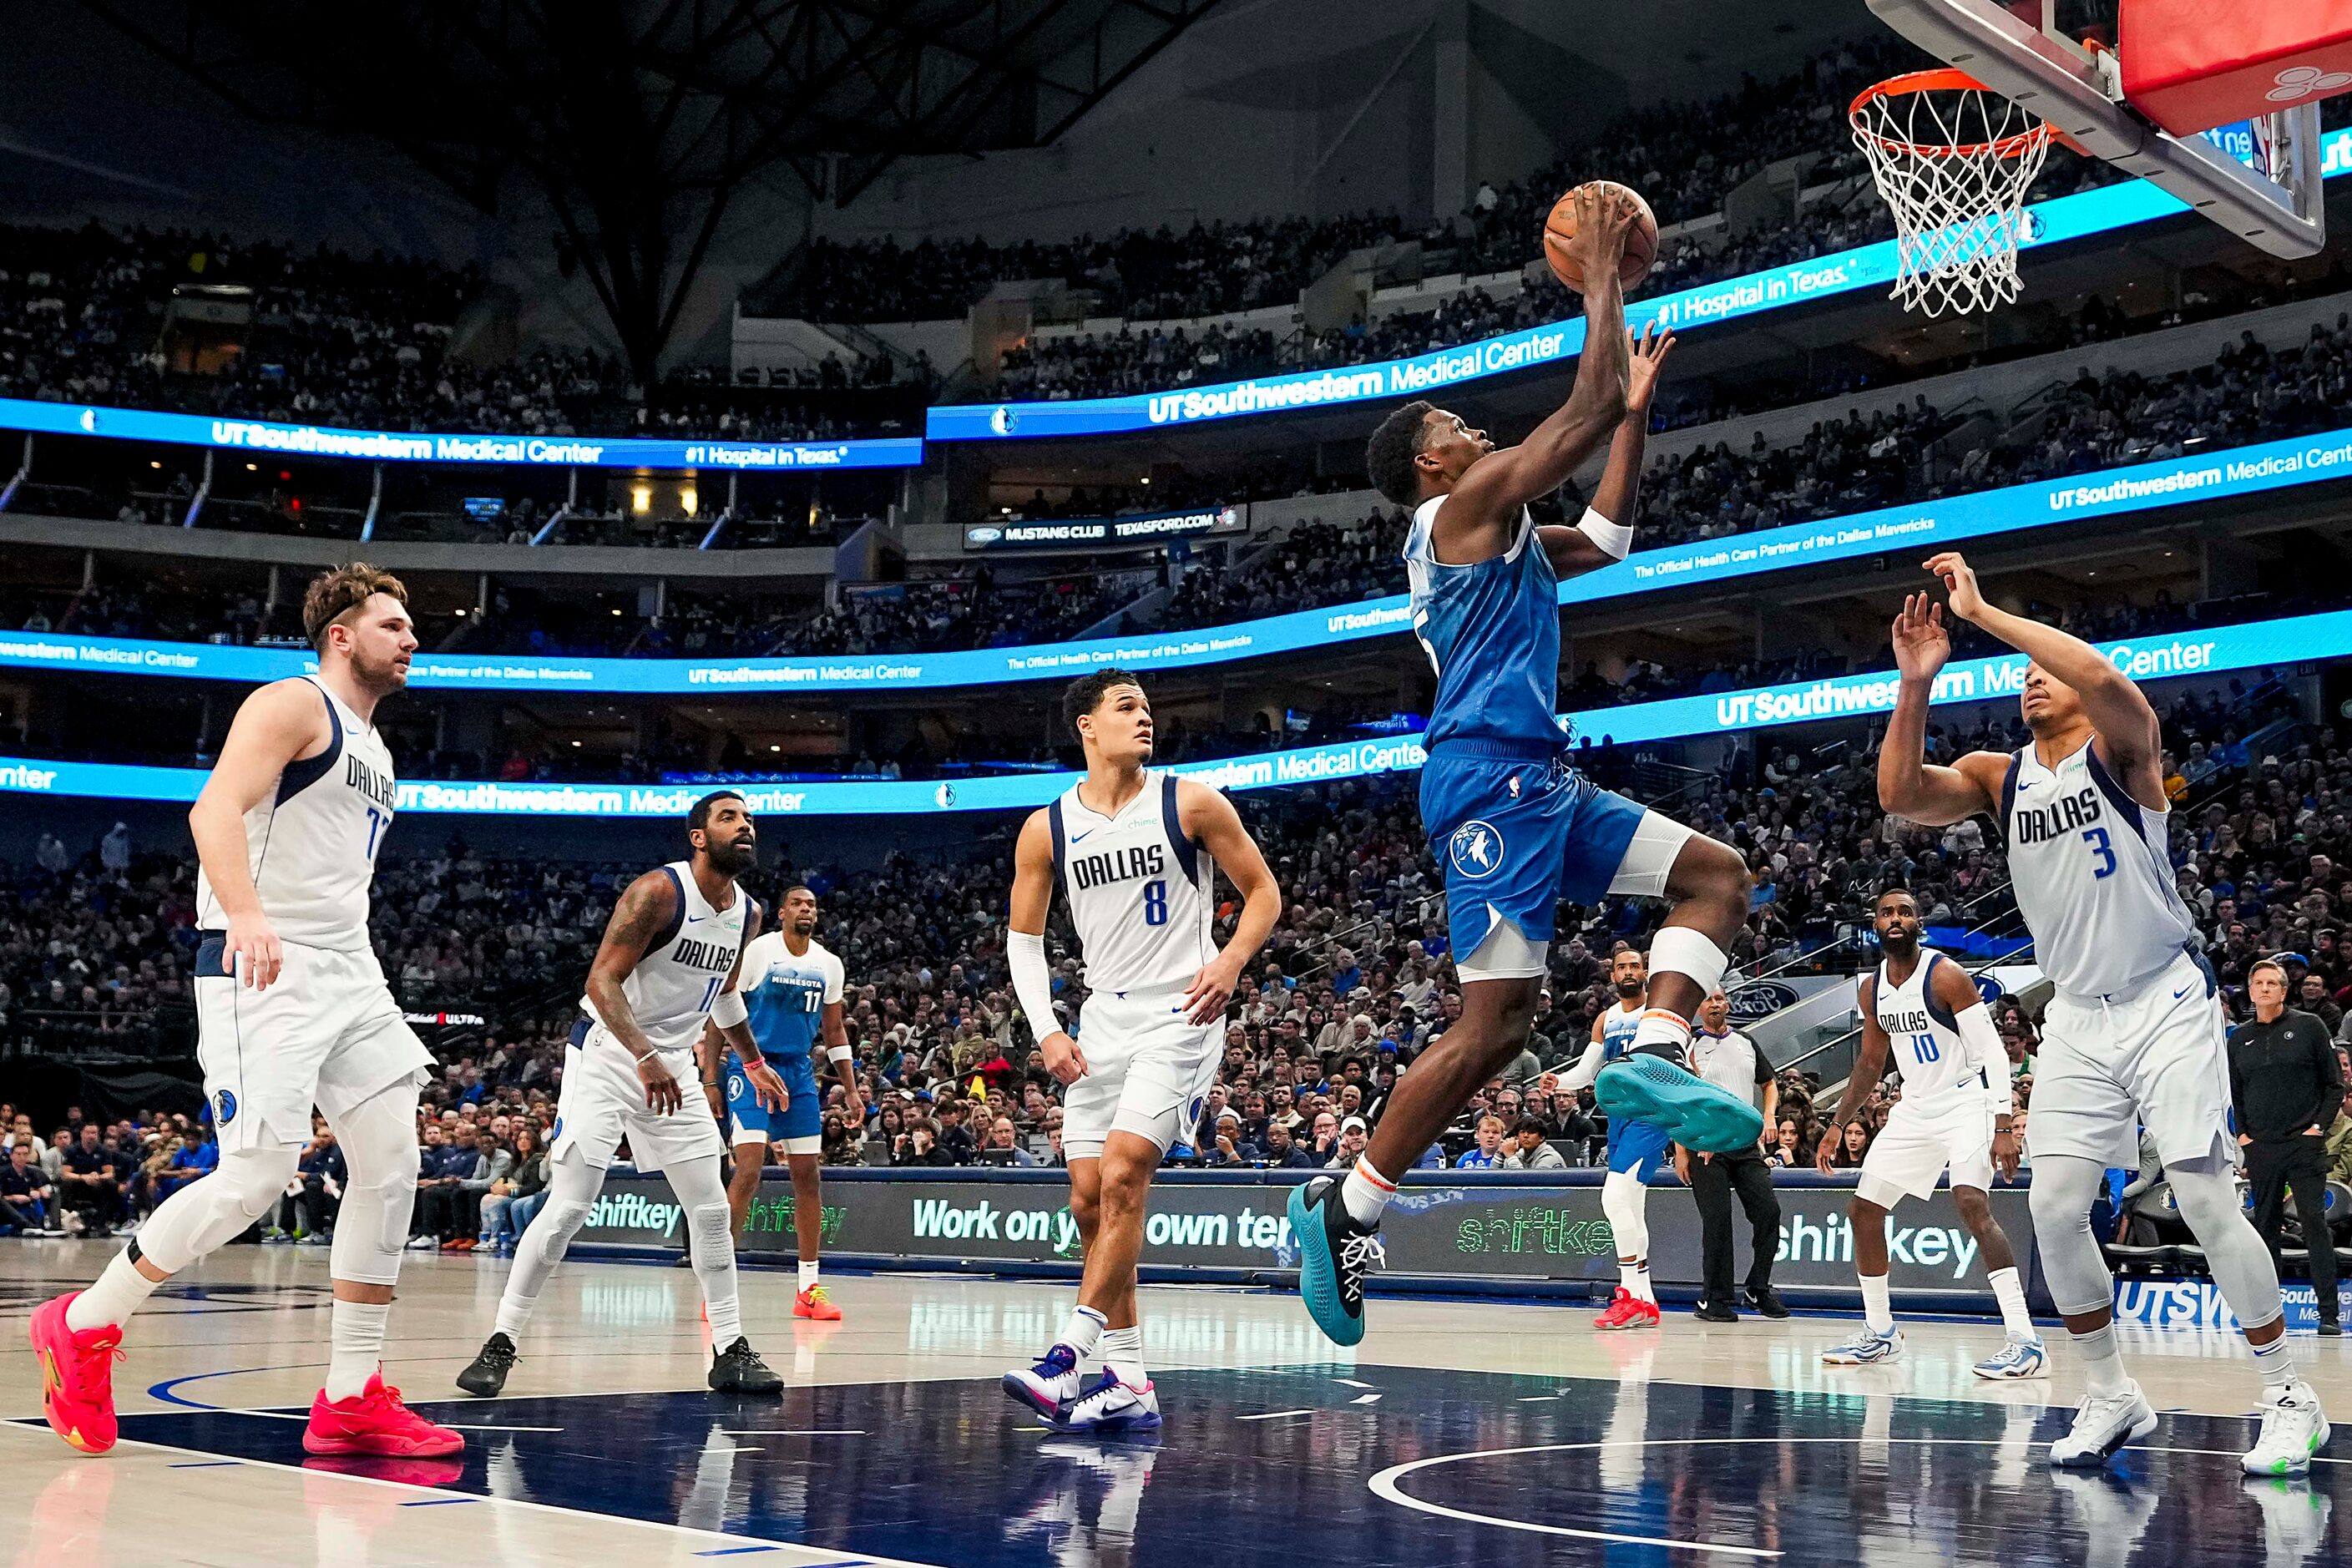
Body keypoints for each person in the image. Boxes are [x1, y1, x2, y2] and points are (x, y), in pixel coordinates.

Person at [1298, 188, 1760, 1348]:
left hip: (1542, 779)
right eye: (1457, 423)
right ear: (1430, 461)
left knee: (1717, 875)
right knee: (1492, 1026)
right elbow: (1581, 404)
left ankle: (1653, 1046)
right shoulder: (1459, 509)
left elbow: (1603, 538)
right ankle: (1345, 1206)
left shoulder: (1498, 527)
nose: (1477, 430)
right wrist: (1602, 274)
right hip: (1486, 779)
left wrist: (1636, 415)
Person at [1879, 553, 2327, 1474]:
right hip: (2077, 1015)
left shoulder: (2121, 754)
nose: (2030, 679)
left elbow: (2113, 681)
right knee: (2052, 1207)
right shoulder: (2000, 776)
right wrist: (1916, 684)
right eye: (2020, 676)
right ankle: (2111, 1392)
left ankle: (2289, 1393)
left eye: (2046, 669)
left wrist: (1987, 614)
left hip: (2166, 996)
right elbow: (1900, 797)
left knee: (2203, 1197)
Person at [28, 564, 460, 1460]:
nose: (410, 638)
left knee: (391, 1162)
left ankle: (349, 1398)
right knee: (258, 1176)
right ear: (341, 636)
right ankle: (86, 1322)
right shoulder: (291, 704)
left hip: (349, 968)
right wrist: (249, 913)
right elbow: (214, 808)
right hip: (259, 963)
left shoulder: (377, 749)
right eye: (393, 625)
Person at [1003, 668, 1281, 1434]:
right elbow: (1023, 941)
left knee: (1126, 1173)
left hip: (1180, 1013)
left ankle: (1068, 1355)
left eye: (1149, 708)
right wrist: (1047, 1029)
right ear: (1085, 726)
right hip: (1099, 1022)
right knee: (1089, 1204)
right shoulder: (1046, 826)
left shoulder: (1187, 800)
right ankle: (1128, 1378)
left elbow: (1263, 892)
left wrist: (1228, 962)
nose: (1144, 718)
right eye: (1126, 707)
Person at [456, 792, 789, 1399]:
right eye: (729, 818)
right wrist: (643, 1056)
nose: (745, 827)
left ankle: (730, 1349)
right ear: (697, 836)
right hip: (611, 1055)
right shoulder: (656, 893)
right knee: (569, 1206)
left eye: (749, 820)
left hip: (673, 1068)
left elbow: (723, 994)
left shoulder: (748, 913)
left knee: (710, 1211)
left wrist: (754, 1059)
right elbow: (600, 980)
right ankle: (500, 1341)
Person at [1815, 889, 2042, 1373]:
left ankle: (2025, 1340)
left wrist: (2004, 1123)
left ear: (1919, 922)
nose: (1896, 919)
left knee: (1971, 1204)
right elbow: (1871, 1062)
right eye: (1887, 913)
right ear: (1874, 924)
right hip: (1915, 1108)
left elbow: (1992, 1054)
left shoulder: (1945, 975)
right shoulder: (1871, 988)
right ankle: (1880, 1332)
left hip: (1966, 1102)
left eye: (1905, 913)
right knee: (1862, 1210)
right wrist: (1837, 1122)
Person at [706, 883, 862, 1323]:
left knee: (808, 1175)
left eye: (812, 904)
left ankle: (808, 1289)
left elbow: (834, 1032)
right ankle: (720, 1284)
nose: (807, 909)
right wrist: (710, 1076)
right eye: (798, 903)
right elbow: (724, 1007)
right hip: (751, 1066)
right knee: (749, 1171)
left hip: (797, 1073)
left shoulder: (829, 964)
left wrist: (850, 1088)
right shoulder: (759, 952)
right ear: (781, 913)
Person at [1551, 947, 1672, 1328]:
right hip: (1617, 1119)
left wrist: (1687, 1138)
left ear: (1646, 972)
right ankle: (1646, 1300)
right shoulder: (1606, 1018)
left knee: (1614, 1197)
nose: (1628, 971)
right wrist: (1560, 1081)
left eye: (1635, 965)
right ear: (1613, 975)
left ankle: (1629, 1293)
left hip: (1650, 1114)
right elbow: (1588, 1070)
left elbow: (1687, 1068)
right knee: (1631, 1205)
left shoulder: (1658, 1014)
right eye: (1621, 967)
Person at [2230, 957, 2344, 1336]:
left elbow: (2334, 1085)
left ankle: (2328, 1313)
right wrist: (2243, 1136)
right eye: (2257, 983)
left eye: (2271, 983)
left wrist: (2318, 1127)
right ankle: (2266, 1313)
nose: (2264, 989)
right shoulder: (2239, 1038)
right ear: (2250, 991)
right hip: (2261, 1146)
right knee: (2264, 1228)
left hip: (2303, 1144)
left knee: (2314, 1225)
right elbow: (2236, 1092)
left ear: (2284, 989)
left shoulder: (2308, 1026)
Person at [1681, 986, 1786, 1323]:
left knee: (1769, 1212)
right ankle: (1713, 1299)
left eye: (1719, 998)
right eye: (1708, 999)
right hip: (1705, 1144)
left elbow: (1769, 1083)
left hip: (1745, 1144)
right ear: (1698, 1007)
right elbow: (1675, 1100)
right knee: (1717, 1222)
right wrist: (1683, 1150)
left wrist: (1769, 1116)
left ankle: (1759, 1288)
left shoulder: (1746, 1042)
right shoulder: (1686, 1046)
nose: (1715, 1004)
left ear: (1727, 1004)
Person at [2, 1141, 57, 1234]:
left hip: (24, 1206)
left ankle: (54, 1225)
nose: (22, 1157)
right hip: (7, 1209)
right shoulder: (3, 1172)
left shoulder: (32, 1171)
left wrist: (37, 1193)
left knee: (54, 1194)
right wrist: (13, 1198)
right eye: (18, 1154)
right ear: (11, 1156)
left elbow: (44, 1194)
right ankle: (27, 1225)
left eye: (25, 1154)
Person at [1501, 1118, 1566, 1170]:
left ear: (1541, 1137)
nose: (1526, 1135)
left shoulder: (1550, 1157)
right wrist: (1500, 1154)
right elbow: (1494, 1179)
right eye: (1522, 1132)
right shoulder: (1520, 1155)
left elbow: (1530, 1184)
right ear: (1517, 1136)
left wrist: (1511, 1157)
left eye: (1531, 1132)